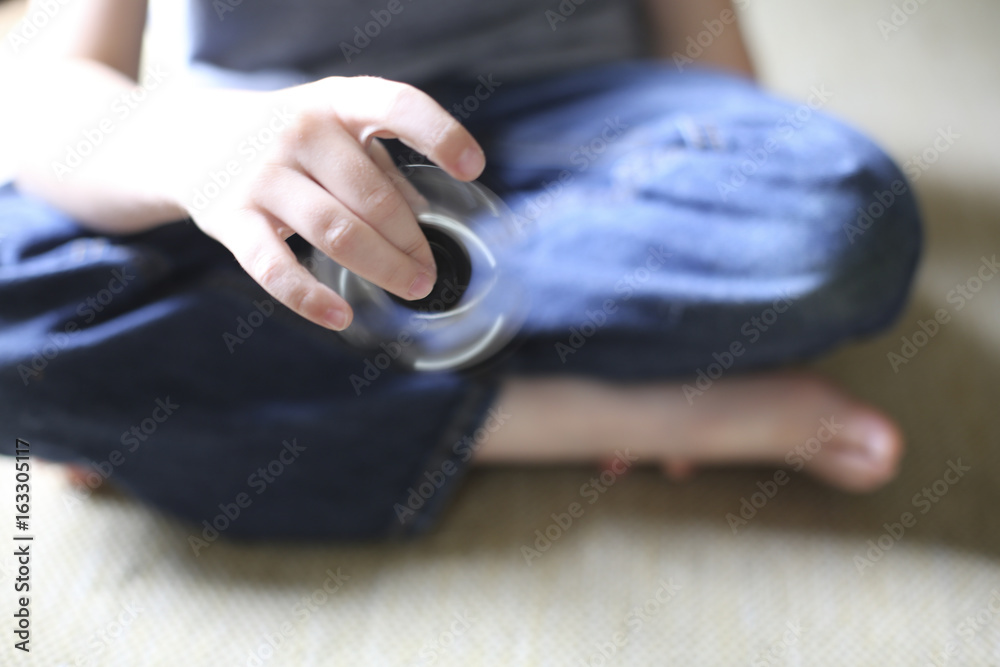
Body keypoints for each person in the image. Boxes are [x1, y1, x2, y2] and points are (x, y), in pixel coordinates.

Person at [0, 0, 921, 540]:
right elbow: (53, 94)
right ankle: (595, 409)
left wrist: (713, 244)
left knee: (835, 215)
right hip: (275, 141)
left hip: (585, 120)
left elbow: (709, 46)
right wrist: (198, 151)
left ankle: (233, 382)